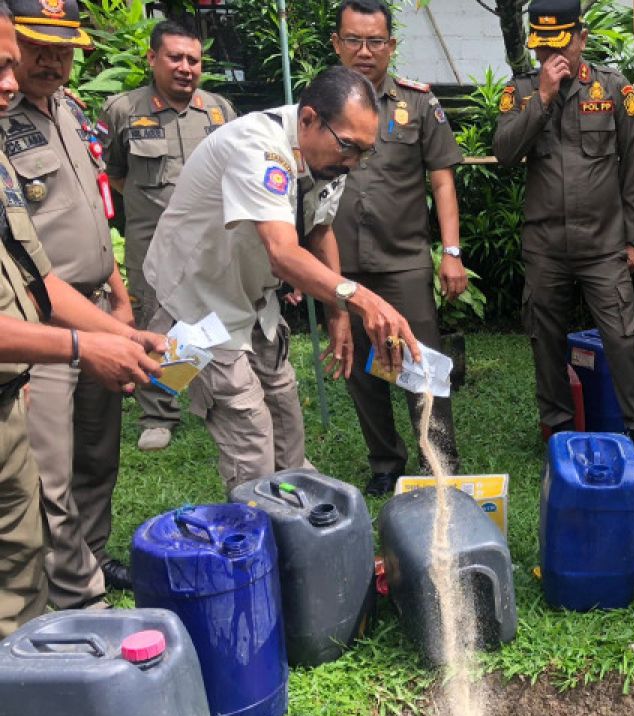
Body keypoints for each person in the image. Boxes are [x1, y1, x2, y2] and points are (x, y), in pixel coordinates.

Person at [143, 66, 421, 492]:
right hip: (193, 306)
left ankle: (299, 521)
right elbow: (283, 253)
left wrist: (338, 313)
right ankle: (258, 536)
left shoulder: (330, 157)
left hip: (252, 301)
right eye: (349, 147)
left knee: (286, 412)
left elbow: (320, 230)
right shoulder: (258, 147)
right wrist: (363, 298)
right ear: (308, 119)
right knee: (248, 429)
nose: (353, 162)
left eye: (364, 152)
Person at [0, 3, 165, 635]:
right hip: (37, 332)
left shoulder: (69, 110)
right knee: (50, 471)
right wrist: (77, 342)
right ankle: (74, 596)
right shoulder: (5, 117)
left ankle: (88, 563)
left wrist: (119, 303)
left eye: (62, 49)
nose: (49, 62)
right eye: (36, 47)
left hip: (88, 306)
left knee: (97, 457)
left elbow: (94, 206)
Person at [493, 0, 634, 492]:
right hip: (546, 246)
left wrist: (633, 238)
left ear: (581, 38)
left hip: (604, 246)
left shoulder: (614, 89)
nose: (552, 54)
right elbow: (505, 151)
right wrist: (543, 98)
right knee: (546, 342)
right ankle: (559, 439)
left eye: (560, 44)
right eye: (543, 45)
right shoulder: (523, 90)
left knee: (623, 339)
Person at [331, 0, 464, 495]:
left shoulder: (419, 103)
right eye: (354, 40)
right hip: (340, 261)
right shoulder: (320, 103)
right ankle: (386, 461)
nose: (365, 52)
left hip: (404, 261)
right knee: (358, 367)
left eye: (375, 41)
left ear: (391, 45)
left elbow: (443, 182)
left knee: (421, 362)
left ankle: (441, 461)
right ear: (337, 43)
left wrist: (450, 253)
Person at [99, 20, 237, 454]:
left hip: (213, 242)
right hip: (151, 243)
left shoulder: (220, 111)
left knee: (216, 320)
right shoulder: (122, 111)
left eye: (193, 60)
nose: (185, 67)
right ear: (153, 59)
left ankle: (216, 394)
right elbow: (114, 174)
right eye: (175, 57)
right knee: (155, 322)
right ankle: (158, 413)